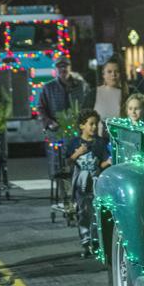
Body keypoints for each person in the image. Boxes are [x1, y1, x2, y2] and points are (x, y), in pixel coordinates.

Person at [63, 109, 112, 257]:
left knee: (96, 211)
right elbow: (68, 162)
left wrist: (108, 162)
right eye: (90, 124)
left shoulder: (100, 143)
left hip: (95, 181)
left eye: (96, 124)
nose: (94, 127)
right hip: (81, 183)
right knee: (83, 212)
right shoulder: (74, 143)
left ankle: (97, 240)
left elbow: (102, 164)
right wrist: (78, 153)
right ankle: (85, 241)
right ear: (82, 126)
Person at [38, 57, 85, 133]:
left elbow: (88, 105)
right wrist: (49, 122)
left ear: (70, 67)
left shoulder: (81, 85)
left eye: (65, 66)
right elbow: (41, 108)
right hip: (57, 131)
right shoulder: (48, 88)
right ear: (56, 69)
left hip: (78, 130)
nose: (63, 69)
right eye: (59, 66)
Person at [87, 58, 129, 134]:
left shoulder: (128, 94)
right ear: (103, 74)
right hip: (99, 140)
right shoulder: (94, 93)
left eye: (117, 72)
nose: (113, 74)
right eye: (109, 72)